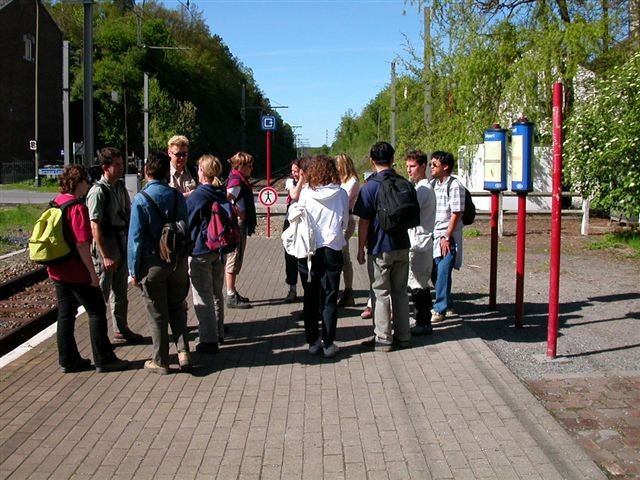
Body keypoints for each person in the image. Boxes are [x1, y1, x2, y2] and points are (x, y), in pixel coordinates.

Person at [47, 165, 129, 373]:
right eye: (86, 181)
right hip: (76, 271)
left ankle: (68, 359)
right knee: (97, 311)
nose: (88, 185)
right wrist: (92, 274)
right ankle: (104, 358)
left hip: (58, 270)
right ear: (78, 182)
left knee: (65, 314)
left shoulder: (57, 202)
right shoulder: (76, 207)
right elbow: (82, 244)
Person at [128, 152, 191, 374]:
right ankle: (184, 353)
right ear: (167, 173)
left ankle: (161, 360)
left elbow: (135, 239)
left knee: (157, 314)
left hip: (153, 263)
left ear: (146, 171)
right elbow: (185, 226)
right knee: (177, 308)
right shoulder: (177, 196)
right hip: (177, 262)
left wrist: (133, 271)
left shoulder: (141, 199)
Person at [354, 141, 412, 351]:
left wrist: (361, 248)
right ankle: (404, 336)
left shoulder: (370, 187)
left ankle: (383, 339)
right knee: (401, 292)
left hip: (379, 246)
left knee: (380, 293)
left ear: (372, 161)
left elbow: (364, 221)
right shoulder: (404, 183)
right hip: (402, 245)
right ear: (392, 159)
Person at [86, 147, 143, 344]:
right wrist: (105, 255)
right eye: (117, 165)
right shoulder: (98, 192)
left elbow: (128, 214)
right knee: (101, 294)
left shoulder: (119, 187)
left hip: (120, 244)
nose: (121, 168)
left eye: (121, 164)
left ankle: (121, 329)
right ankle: (99, 338)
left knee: (120, 292)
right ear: (105, 167)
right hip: (106, 247)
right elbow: (95, 226)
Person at [296, 155, 348, 358]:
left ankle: (313, 342)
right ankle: (328, 343)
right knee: (330, 296)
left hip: (309, 250)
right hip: (332, 249)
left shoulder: (306, 193)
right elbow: (344, 223)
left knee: (310, 296)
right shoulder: (341, 193)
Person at [186, 154, 227, 354]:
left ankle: (208, 340)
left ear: (202, 171)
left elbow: (187, 219)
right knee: (216, 292)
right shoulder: (220, 191)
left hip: (200, 249)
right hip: (218, 248)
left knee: (203, 295)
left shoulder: (199, 195)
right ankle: (218, 332)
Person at [430, 150, 465, 323]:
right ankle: (448, 303)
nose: (431, 167)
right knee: (435, 272)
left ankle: (440, 309)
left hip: (447, 237)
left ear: (445, 166)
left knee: (443, 271)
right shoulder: (433, 185)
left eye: (434, 164)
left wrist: (447, 236)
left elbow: (456, 212)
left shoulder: (455, 185)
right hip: (434, 235)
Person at [405, 150, 437, 335]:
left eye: (413, 166)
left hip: (420, 242)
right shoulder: (420, 188)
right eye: (407, 166)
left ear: (423, 166)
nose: (409, 170)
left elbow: (410, 211)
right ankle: (421, 320)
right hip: (418, 241)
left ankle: (423, 322)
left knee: (419, 284)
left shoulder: (423, 190)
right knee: (416, 283)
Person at [225, 151, 257, 309]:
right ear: (240, 166)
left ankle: (232, 291)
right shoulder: (237, 181)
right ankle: (230, 294)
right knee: (234, 257)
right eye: (249, 166)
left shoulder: (237, 179)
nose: (251, 168)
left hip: (239, 223)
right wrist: (236, 212)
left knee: (237, 257)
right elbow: (226, 199)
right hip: (237, 225)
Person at [334, 153, 360, 307]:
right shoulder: (341, 180)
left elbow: (342, 200)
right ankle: (346, 291)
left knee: (341, 255)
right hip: (338, 221)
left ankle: (347, 291)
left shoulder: (352, 182)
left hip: (346, 221)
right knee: (344, 257)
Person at [283, 158, 304, 303]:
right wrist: (301, 180)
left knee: (304, 255)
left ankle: (309, 289)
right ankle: (292, 289)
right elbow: (294, 195)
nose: (294, 174)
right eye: (292, 171)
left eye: (296, 171)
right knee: (290, 256)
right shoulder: (290, 182)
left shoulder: (311, 183)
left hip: (304, 223)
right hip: (290, 222)